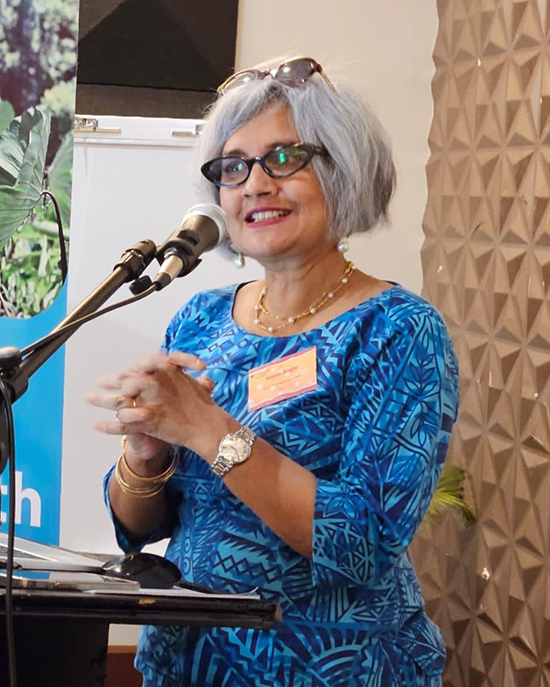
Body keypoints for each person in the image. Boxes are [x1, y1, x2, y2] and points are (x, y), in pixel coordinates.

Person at [87, 56, 459, 687]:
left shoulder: (395, 330)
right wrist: (144, 454)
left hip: (330, 670)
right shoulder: (203, 317)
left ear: (343, 173)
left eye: (284, 158)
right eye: (234, 167)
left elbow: (362, 543)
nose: (255, 184)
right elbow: (140, 528)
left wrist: (207, 428)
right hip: (185, 663)